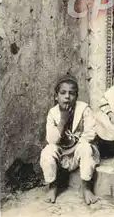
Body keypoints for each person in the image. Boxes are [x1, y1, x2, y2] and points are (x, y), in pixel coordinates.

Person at [40, 74, 100, 205]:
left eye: (71, 93)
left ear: (76, 96)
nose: (67, 96)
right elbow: (51, 139)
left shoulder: (84, 109)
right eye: (63, 93)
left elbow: (91, 132)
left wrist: (75, 145)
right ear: (56, 96)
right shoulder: (52, 112)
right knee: (47, 151)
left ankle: (86, 187)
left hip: (78, 150)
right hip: (62, 153)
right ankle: (53, 186)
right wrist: (62, 121)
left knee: (86, 148)